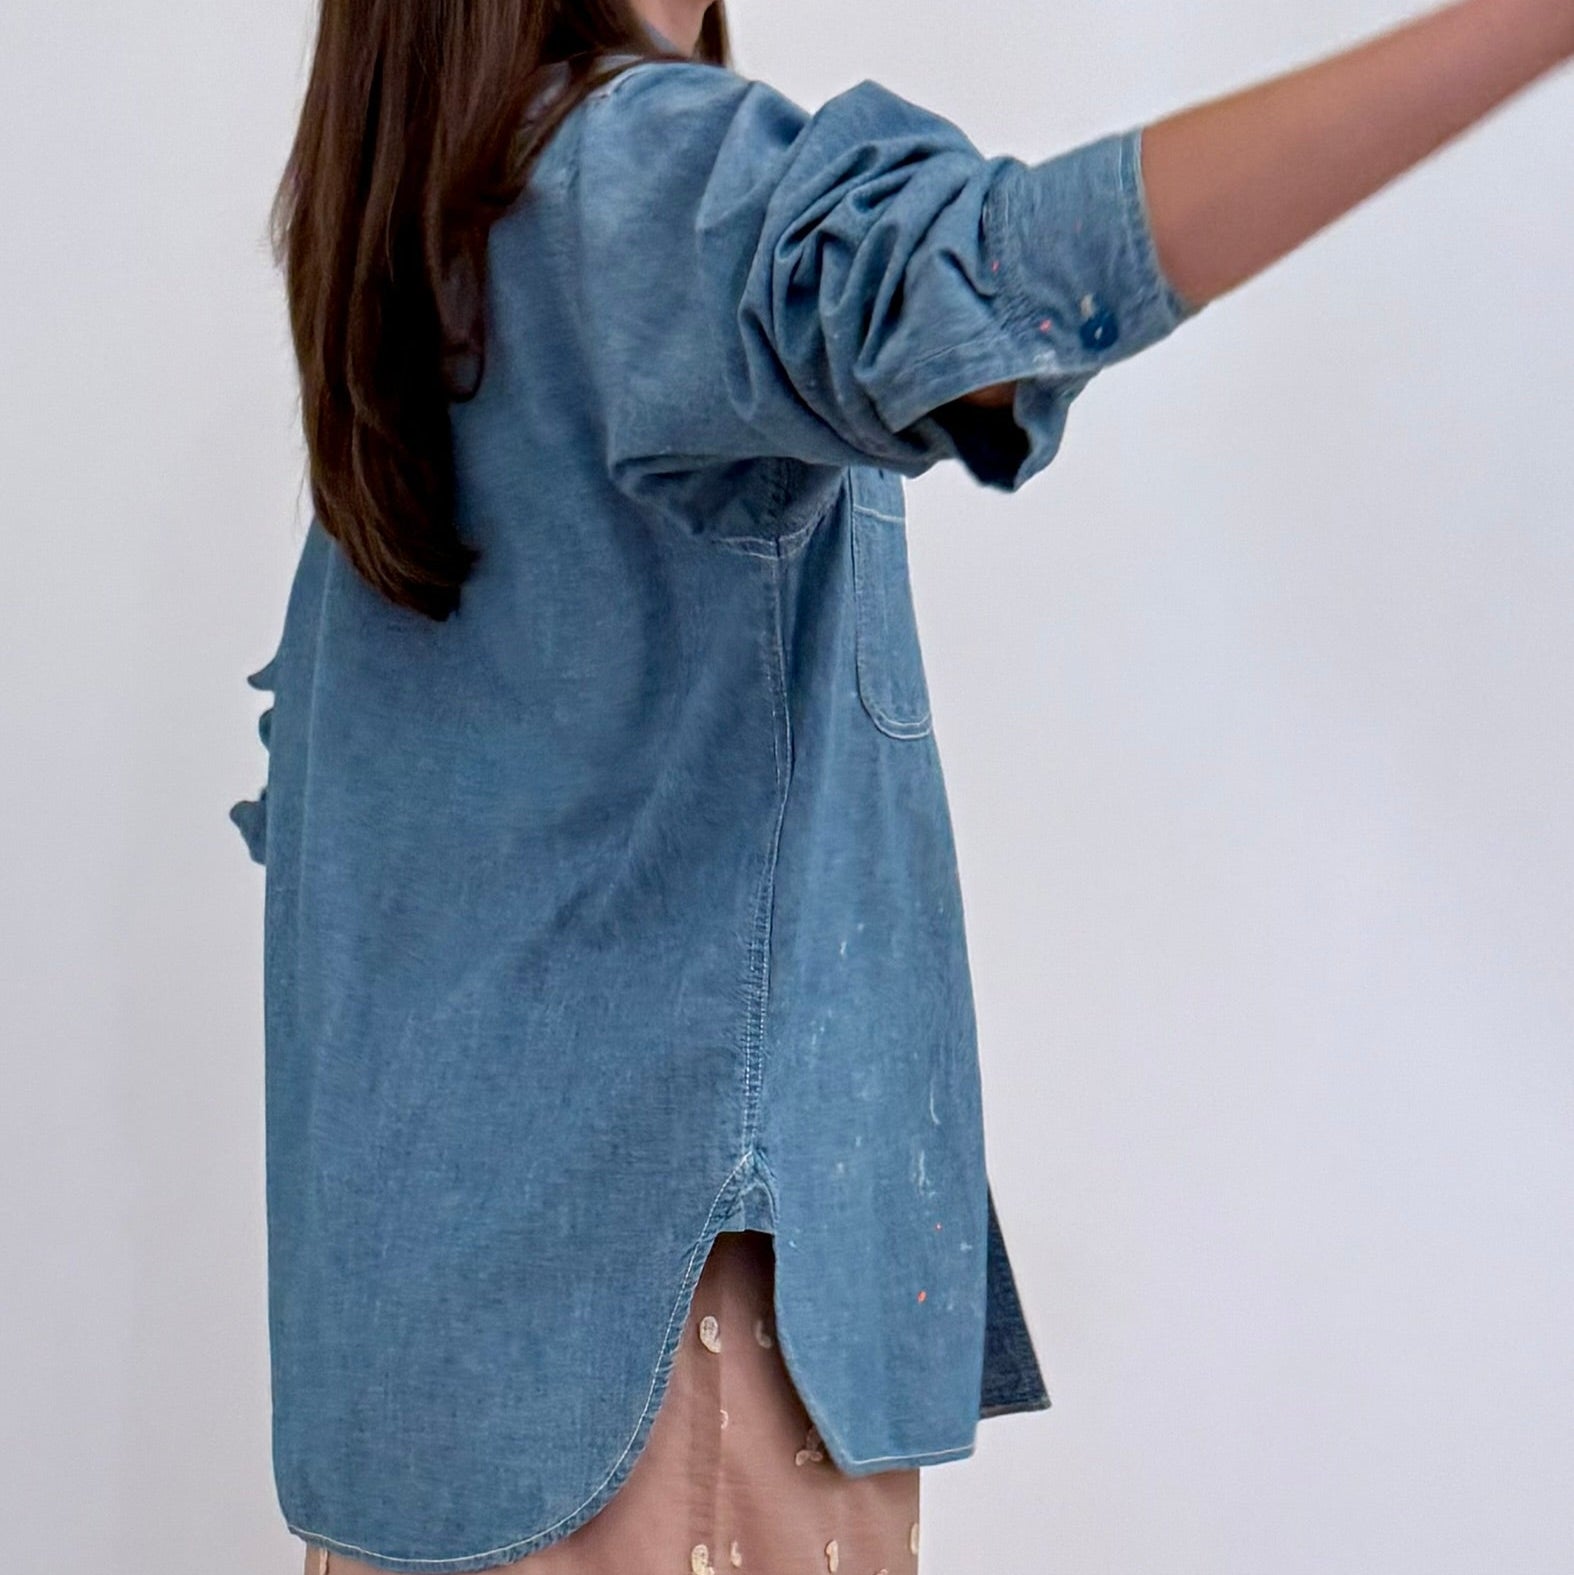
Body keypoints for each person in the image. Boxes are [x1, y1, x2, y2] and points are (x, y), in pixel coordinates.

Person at [228, 1, 1574, 1571]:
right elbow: (992, 276)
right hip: (654, 1372)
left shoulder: (442, 243)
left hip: (435, 1394)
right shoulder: (643, 179)